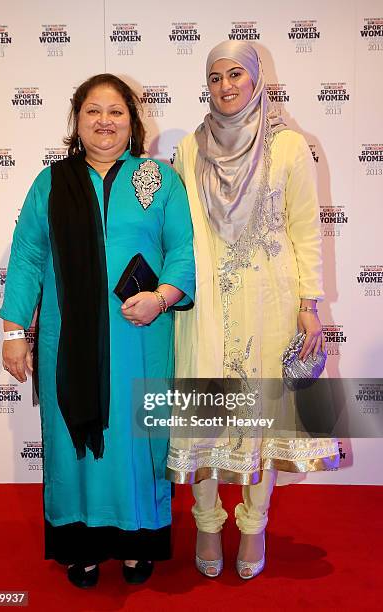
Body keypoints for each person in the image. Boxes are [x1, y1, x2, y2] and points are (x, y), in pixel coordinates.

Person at [0, 73, 195, 588]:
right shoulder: (51, 183)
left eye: (115, 111)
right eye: (93, 111)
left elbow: (182, 250)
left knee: (137, 439)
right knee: (71, 443)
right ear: (76, 120)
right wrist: (14, 330)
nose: (104, 121)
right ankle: (78, 544)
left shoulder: (160, 179)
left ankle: (138, 541)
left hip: (141, 338)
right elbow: (26, 257)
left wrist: (162, 298)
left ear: (133, 120)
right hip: (69, 343)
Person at [167, 41, 339, 580]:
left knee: (258, 420)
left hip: (270, 296)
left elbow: (305, 229)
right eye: (214, 77)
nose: (225, 86)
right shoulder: (190, 150)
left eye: (235, 74)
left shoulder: (289, 146)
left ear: (256, 78)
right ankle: (208, 523)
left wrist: (310, 305)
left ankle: (254, 523)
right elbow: (177, 230)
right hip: (206, 305)